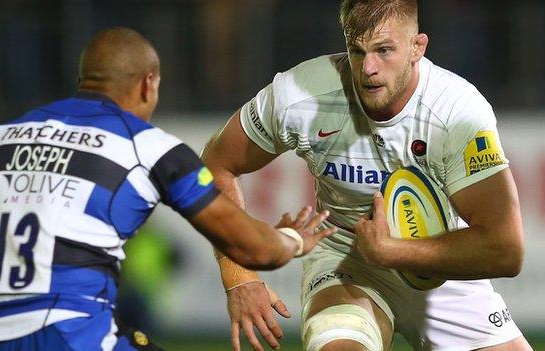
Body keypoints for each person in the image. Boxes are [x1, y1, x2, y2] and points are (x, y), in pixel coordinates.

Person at [0, 27, 337, 351]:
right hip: (75, 337)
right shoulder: (148, 147)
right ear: (148, 84)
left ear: (84, 80)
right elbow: (254, 249)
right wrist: (292, 240)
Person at [201, 1, 534, 351]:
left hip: (439, 258)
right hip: (346, 259)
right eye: (357, 51)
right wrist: (238, 278)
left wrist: (392, 251)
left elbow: (506, 250)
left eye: (384, 50)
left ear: (417, 47)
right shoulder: (300, 94)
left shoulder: (456, 112)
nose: (368, 69)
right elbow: (216, 164)